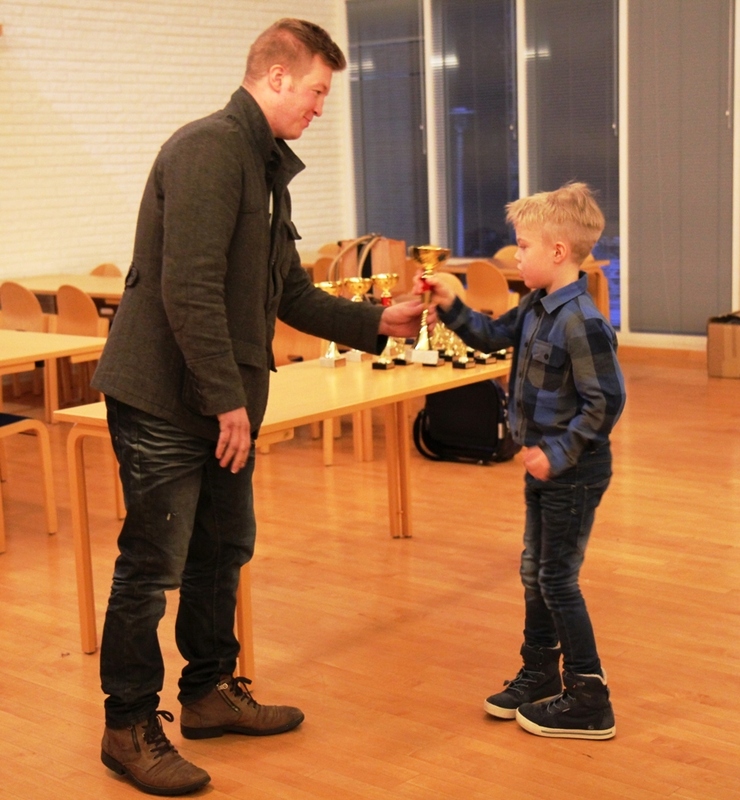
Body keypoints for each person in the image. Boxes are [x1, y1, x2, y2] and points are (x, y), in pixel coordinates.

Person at [91, 18, 423, 796]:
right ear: (277, 77)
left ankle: (208, 692)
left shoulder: (263, 164)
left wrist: (378, 322)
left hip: (215, 400)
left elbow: (289, 292)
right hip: (166, 399)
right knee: (153, 566)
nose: (319, 108)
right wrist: (226, 402)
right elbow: (189, 288)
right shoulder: (209, 150)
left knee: (222, 550)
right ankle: (127, 726)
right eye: (315, 92)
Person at [419, 183, 625, 740]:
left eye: (524, 246)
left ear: (558, 251)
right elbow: (490, 336)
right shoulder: (534, 304)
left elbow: (607, 403)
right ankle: (540, 674)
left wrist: (558, 453)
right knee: (534, 572)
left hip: (573, 472)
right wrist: (451, 303)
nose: (516, 256)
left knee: (557, 579)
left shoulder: (582, 321)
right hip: (545, 467)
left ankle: (590, 697)